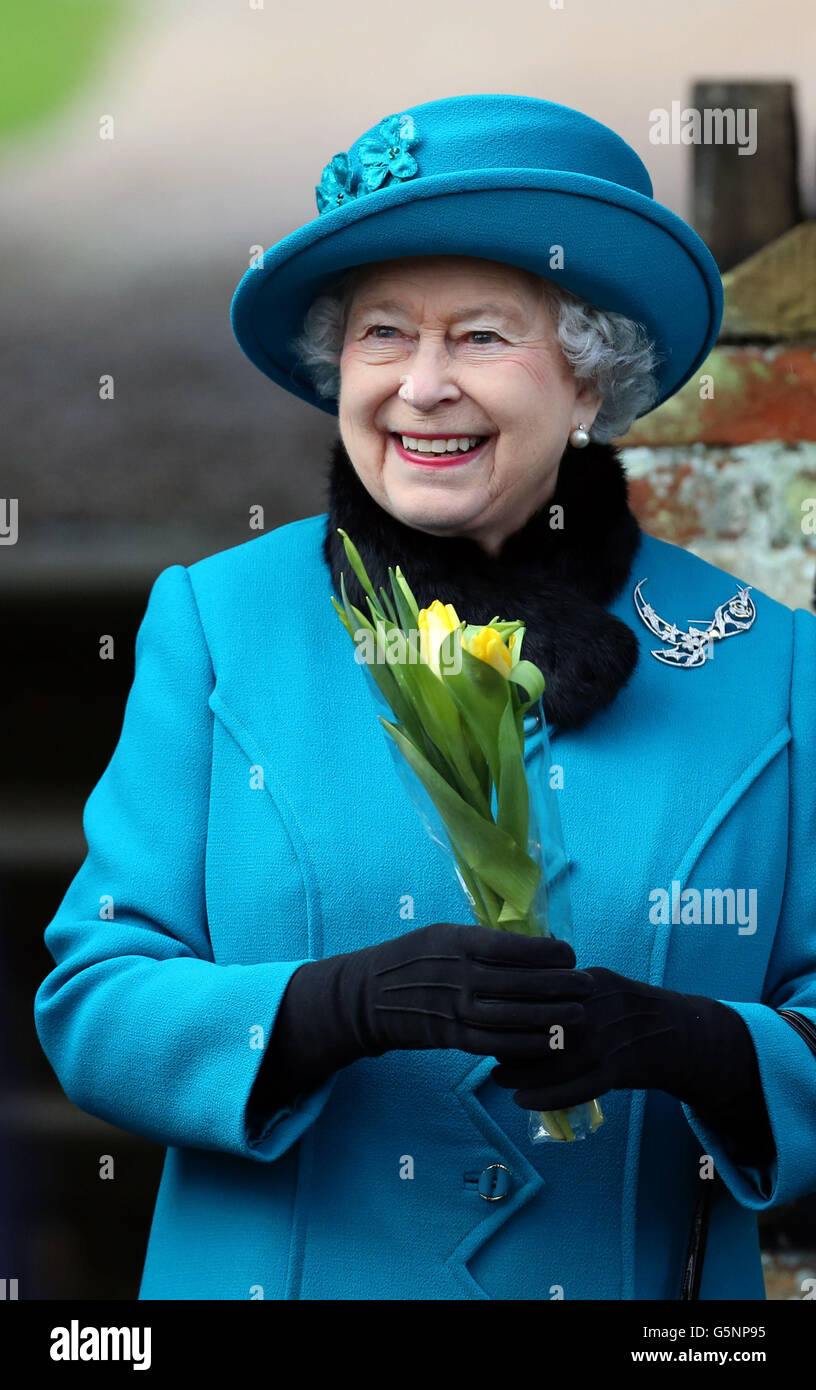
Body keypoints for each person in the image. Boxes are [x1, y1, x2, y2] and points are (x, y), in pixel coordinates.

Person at [34, 93, 816, 1301]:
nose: (422, 386)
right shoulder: (219, 624)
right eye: (384, 334)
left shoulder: (767, 665)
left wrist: (705, 1046)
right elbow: (92, 998)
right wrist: (322, 1008)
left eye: (484, 338)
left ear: (593, 380)